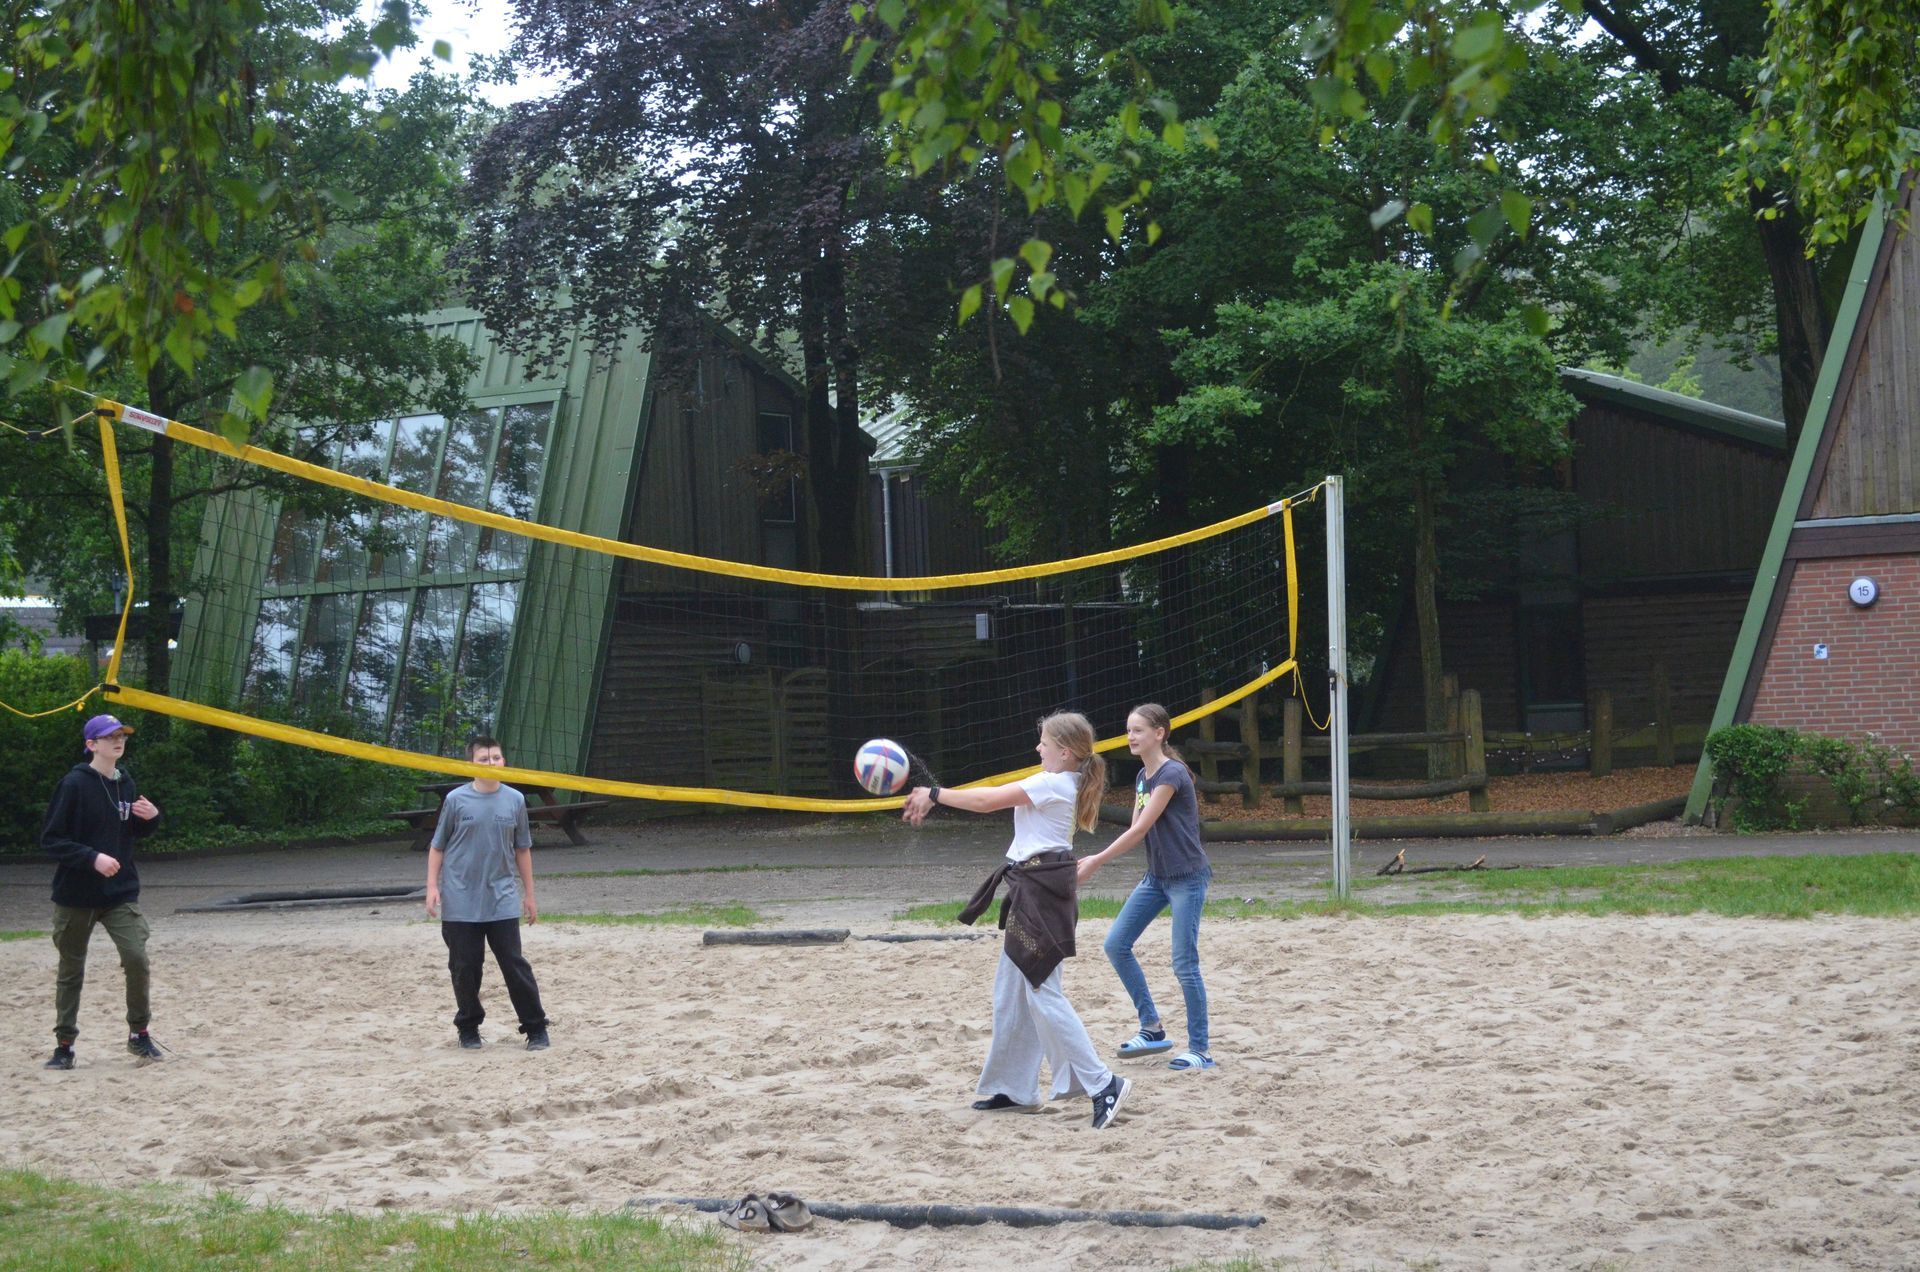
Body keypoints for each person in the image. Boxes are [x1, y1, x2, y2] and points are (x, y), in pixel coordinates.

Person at [902, 711, 1133, 1130]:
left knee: (1043, 993)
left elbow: (986, 801)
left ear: (1066, 752)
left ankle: (1104, 1084)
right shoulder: (1058, 780)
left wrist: (934, 793)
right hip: (1033, 889)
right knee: (1011, 993)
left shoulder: (1054, 783)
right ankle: (1016, 1089)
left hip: (1041, 894)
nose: (1037, 747)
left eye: (1044, 742)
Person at [1076, 703, 1215, 1072]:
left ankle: (1200, 1049)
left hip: (1186, 878)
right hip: (1157, 878)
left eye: (1137, 730)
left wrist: (1096, 860)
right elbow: (1135, 830)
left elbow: (1140, 829)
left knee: (1184, 964)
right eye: (1128, 730)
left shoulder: (1172, 774)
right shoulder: (1143, 776)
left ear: (1159, 733)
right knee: (1116, 944)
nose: (1130, 737)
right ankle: (1151, 1028)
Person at [41, 713, 164, 1069]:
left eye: (121, 735)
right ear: (91, 744)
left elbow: (129, 831)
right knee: (71, 971)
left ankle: (139, 1035)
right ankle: (64, 1046)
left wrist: (151, 818)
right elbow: (52, 840)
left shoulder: (125, 783)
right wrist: (91, 858)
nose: (118, 740)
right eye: (110, 736)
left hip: (119, 893)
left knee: (137, 958)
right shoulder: (73, 784)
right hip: (76, 895)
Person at [426, 735, 550, 1051]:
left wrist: (530, 895)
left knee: (514, 964)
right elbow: (437, 847)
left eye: (496, 757)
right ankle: (468, 1027)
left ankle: (536, 1028)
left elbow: (522, 849)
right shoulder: (456, 800)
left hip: (501, 896)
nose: (491, 763)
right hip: (460, 898)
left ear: (503, 761)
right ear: (471, 764)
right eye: (484, 759)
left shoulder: (515, 800)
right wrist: (432, 887)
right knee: (465, 967)